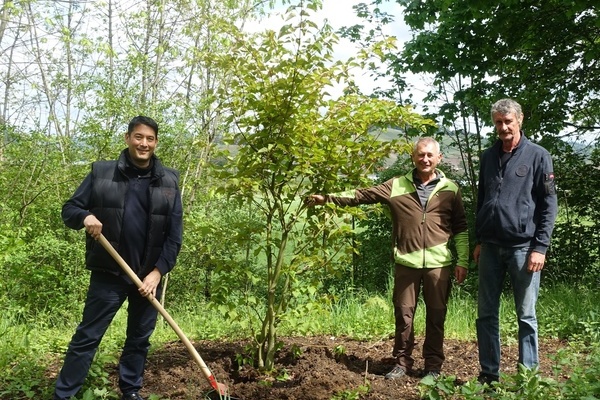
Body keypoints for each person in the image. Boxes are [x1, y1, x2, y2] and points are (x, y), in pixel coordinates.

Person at [308, 137, 469, 379]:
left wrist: (462, 262)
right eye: (420, 154)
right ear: (413, 157)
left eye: (429, 155)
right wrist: (328, 198)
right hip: (406, 263)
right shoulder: (396, 185)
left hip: (439, 265)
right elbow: (361, 195)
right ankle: (402, 363)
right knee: (403, 316)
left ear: (439, 158)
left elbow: (461, 228)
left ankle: (433, 367)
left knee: (436, 316)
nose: (425, 159)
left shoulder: (450, 189)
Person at [54, 116, 183, 400]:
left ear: (156, 142)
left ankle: (131, 392)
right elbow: (69, 209)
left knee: (139, 340)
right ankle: (64, 394)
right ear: (127, 139)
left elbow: (174, 236)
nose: (144, 143)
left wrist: (157, 272)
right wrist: (85, 215)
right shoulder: (102, 173)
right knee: (87, 337)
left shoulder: (170, 181)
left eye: (150, 139)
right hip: (108, 274)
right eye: (138, 137)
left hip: (148, 279)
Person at [474, 98, 557, 385]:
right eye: (498, 122)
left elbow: (549, 205)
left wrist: (540, 247)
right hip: (490, 248)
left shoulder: (538, 155)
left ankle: (528, 378)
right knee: (486, 314)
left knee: (526, 316)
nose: (503, 127)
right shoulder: (488, 157)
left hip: (524, 249)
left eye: (508, 121)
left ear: (520, 120)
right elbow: (482, 200)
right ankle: (488, 375)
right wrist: (479, 239)